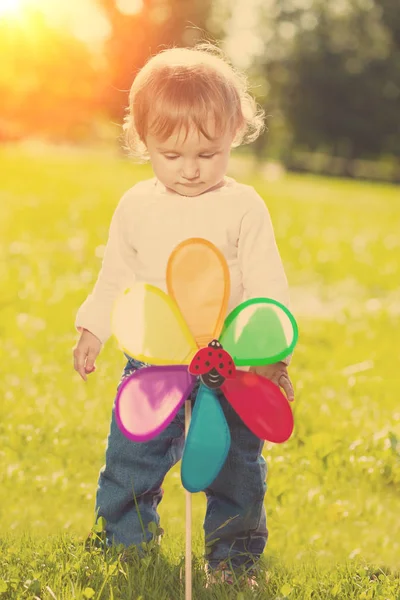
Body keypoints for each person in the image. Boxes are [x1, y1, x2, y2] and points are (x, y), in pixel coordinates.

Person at [73, 41, 295, 588]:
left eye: (209, 153)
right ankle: (124, 547)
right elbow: (116, 277)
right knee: (132, 456)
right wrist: (92, 329)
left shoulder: (244, 207)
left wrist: (275, 356)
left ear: (235, 134)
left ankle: (233, 560)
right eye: (172, 156)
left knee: (235, 464)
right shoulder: (136, 207)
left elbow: (268, 285)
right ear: (141, 139)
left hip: (231, 364)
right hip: (154, 359)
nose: (191, 170)